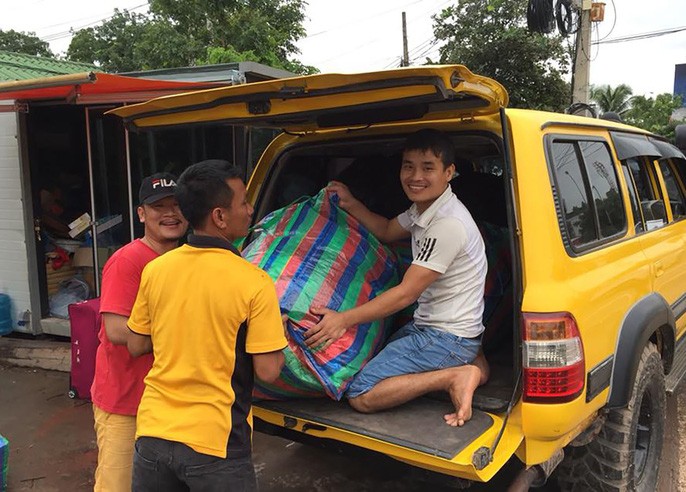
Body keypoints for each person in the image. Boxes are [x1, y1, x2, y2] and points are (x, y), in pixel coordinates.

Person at [308, 129, 489, 427]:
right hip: (441, 328)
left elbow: (406, 294)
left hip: (442, 336)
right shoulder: (425, 208)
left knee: (362, 392)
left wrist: (343, 319)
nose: (415, 176)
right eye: (409, 166)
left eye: (428, 167)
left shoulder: (447, 224)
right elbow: (388, 231)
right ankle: (474, 361)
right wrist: (351, 202)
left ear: (449, 172)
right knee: (376, 355)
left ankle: (455, 374)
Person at [126, 160, 287, 491]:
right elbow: (270, 370)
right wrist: (274, 331)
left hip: (153, 435)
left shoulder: (158, 270)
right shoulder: (252, 281)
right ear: (220, 216)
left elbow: (137, 344)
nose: (250, 209)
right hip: (215, 444)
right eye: (243, 201)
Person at [91, 172, 188, 492]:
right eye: (159, 207)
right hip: (125, 400)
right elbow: (116, 330)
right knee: (118, 484)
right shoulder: (127, 261)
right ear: (142, 214)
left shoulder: (185, 260)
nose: (171, 213)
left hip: (167, 400)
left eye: (177, 205)